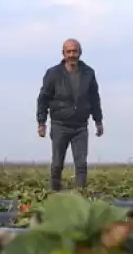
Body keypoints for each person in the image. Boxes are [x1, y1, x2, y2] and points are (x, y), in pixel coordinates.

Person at [36, 38, 104, 191]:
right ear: (63, 53)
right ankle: (54, 197)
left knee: (81, 165)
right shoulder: (53, 73)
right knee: (57, 165)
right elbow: (43, 98)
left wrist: (98, 121)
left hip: (80, 126)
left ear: (80, 52)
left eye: (75, 51)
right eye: (69, 51)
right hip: (60, 124)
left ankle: (80, 199)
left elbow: (94, 98)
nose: (72, 54)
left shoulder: (88, 73)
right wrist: (41, 122)